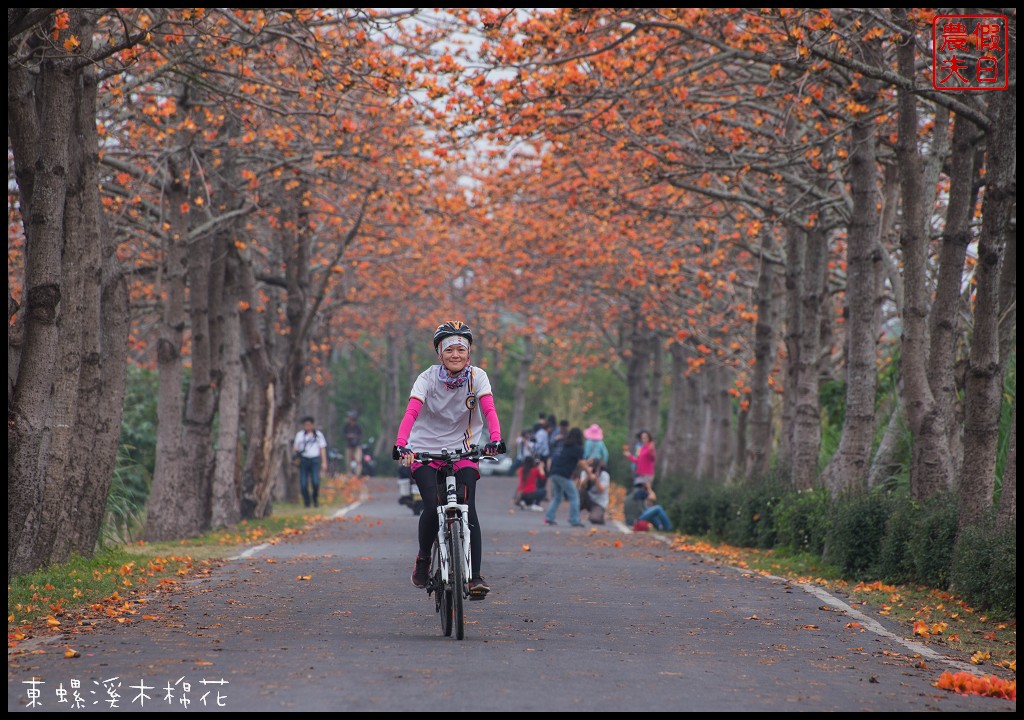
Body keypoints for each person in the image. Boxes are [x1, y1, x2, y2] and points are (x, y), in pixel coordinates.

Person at [393, 321, 505, 599]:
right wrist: (401, 444)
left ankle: (474, 577)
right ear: (439, 353)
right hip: (424, 451)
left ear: (469, 353)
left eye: (461, 349)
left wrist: (495, 439)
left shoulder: (477, 377)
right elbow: (411, 412)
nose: (456, 354)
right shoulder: (426, 379)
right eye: (449, 350)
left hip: (462, 450)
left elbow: (489, 409)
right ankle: (423, 558)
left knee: (468, 508)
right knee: (432, 506)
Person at [544, 426, 586, 527]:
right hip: (563, 475)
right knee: (574, 497)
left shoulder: (564, 446)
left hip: (554, 473)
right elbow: (581, 463)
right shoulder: (578, 449)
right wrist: (589, 472)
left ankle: (549, 517)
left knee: (557, 497)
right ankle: (574, 519)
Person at [293, 416, 328, 508]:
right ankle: (307, 502)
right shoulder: (300, 435)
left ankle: (315, 499)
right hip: (304, 460)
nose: (307, 427)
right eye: (305, 425)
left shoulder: (318, 435)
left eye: (308, 425)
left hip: (314, 460)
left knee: (315, 482)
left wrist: (324, 462)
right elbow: (295, 448)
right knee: (303, 483)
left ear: (312, 425)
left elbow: (322, 448)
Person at [578, 456, 610, 524]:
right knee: (580, 493)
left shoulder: (605, 475)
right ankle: (574, 515)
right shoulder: (585, 473)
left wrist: (596, 479)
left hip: (599, 503)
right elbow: (581, 487)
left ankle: (600, 516)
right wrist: (588, 476)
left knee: (594, 519)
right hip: (587, 499)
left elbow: (600, 490)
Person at [342, 411, 363, 476]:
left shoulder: (358, 427)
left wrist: (354, 437)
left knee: (358, 460)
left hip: (357, 445)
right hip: (349, 445)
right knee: (348, 461)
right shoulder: (346, 426)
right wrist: (349, 436)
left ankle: (357, 474)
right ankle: (349, 474)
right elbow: (343, 435)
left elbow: (360, 435)